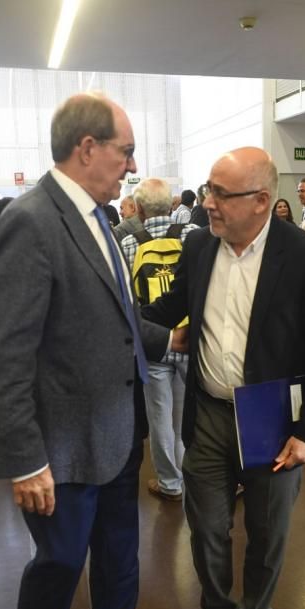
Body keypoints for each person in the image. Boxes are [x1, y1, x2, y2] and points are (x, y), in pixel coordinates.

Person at [0, 93, 181, 609]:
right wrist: (24, 458)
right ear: (88, 148)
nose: (131, 164)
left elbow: (115, 317)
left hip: (119, 433)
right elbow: (5, 354)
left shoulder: (99, 217)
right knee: (61, 562)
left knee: (121, 556)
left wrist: (170, 337)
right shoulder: (31, 221)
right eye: (125, 150)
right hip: (62, 448)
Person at [143, 146, 305, 609]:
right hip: (208, 412)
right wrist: (112, 308)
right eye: (208, 189)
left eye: (219, 194)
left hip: (274, 420)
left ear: (261, 201)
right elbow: (162, 314)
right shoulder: (199, 247)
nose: (208, 202)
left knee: (267, 528)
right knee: (206, 525)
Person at [121, 177, 198, 501]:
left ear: (138, 209)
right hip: (191, 336)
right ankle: (193, 476)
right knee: (188, 415)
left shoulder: (126, 242)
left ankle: (170, 483)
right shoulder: (194, 237)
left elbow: (125, 300)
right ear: (172, 204)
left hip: (153, 341)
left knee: (159, 416)